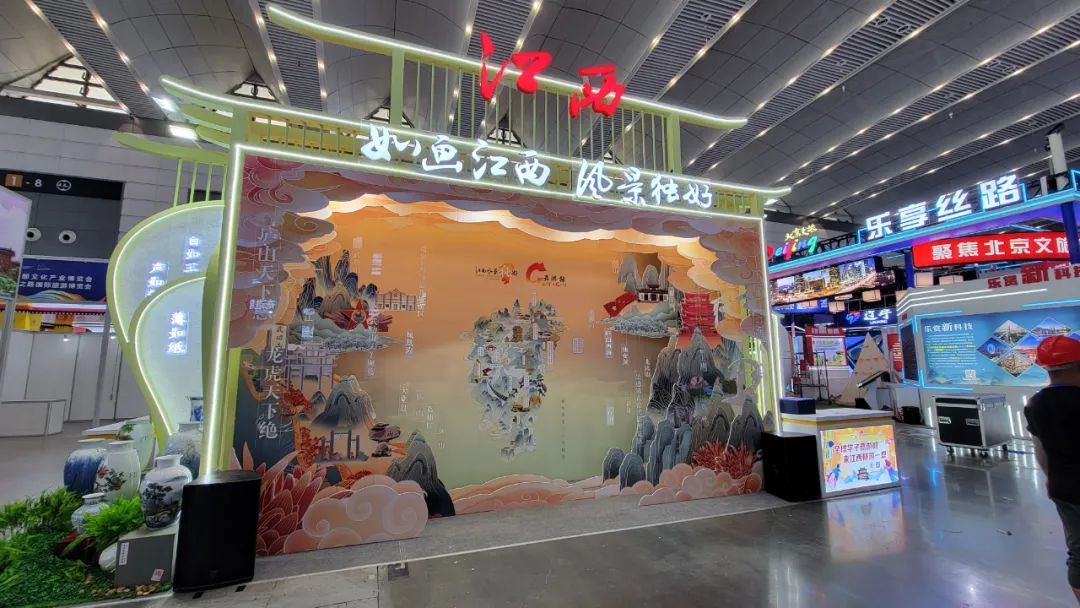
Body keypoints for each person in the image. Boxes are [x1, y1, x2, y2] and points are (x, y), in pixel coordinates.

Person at [1026, 335, 1080, 604]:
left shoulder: (1035, 404)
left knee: (1078, 552)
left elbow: (1041, 452)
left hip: (1063, 488)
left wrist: (1051, 478)